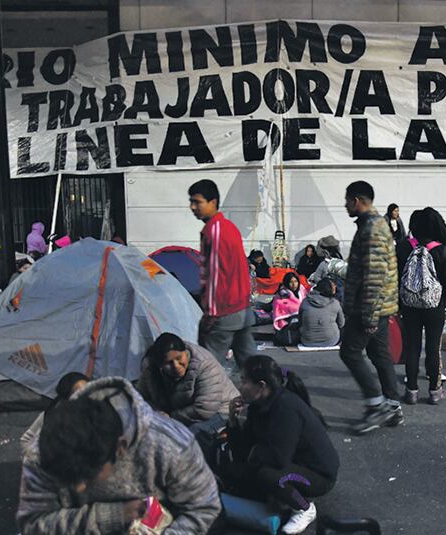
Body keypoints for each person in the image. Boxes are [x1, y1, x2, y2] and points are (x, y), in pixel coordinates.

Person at [17, 377, 220, 534]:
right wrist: (114, 515)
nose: (78, 488)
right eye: (67, 478)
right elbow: (34, 523)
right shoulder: (43, 452)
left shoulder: (171, 445)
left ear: (120, 448)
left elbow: (203, 507)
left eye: (88, 475)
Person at [222, 356, 338, 535]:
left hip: (318, 476)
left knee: (267, 474)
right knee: (235, 472)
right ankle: (283, 496)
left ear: (261, 385)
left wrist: (252, 453)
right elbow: (242, 450)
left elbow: (277, 458)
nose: (240, 386)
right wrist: (232, 420)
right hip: (292, 465)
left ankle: (304, 509)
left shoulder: (286, 408)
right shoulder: (258, 405)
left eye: (244, 381)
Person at [340, 180, 404, 434]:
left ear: (357, 200)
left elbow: (375, 276)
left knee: (350, 353)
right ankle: (392, 406)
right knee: (379, 354)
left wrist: (368, 315)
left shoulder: (373, 228)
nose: (345, 205)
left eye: (347, 200)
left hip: (368, 307)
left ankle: (376, 405)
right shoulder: (372, 225)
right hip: (378, 306)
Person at [189, 179, 256, 369]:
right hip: (241, 308)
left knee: (208, 368)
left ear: (213, 202)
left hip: (225, 311)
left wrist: (210, 314)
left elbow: (216, 276)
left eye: (197, 202)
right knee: (251, 365)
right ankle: (268, 395)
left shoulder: (214, 231)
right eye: (191, 202)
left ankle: (211, 399)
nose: (193, 207)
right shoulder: (228, 227)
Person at [395, 207, 446, 405]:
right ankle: (434, 390)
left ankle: (411, 391)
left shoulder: (404, 247)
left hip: (409, 305)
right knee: (433, 347)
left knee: (412, 347)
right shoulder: (440, 249)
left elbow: (395, 276)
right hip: (435, 305)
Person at [136, 332, 239, 431]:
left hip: (220, 410)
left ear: (185, 352)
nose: (176, 366)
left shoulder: (204, 364)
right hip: (177, 413)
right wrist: (158, 412)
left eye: (179, 358)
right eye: (169, 363)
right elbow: (140, 397)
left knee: (190, 436)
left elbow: (205, 409)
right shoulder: (150, 367)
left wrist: (171, 417)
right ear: (160, 364)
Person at [21, 372, 90, 455]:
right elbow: (26, 439)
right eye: (78, 393)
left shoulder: (100, 414)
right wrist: (40, 460)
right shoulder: (52, 415)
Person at [299, 278, 345, 348]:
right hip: (331, 341)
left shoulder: (305, 301)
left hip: (307, 341)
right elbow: (341, 324)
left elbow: (301, 322)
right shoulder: (335, 303)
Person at [273, 272, 308, 347]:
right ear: (286, 283)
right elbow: (278, 307)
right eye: (291, 282)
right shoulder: (281, 294)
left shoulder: (302, 290)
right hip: (288, 319)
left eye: (295, 281)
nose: (294, 284)